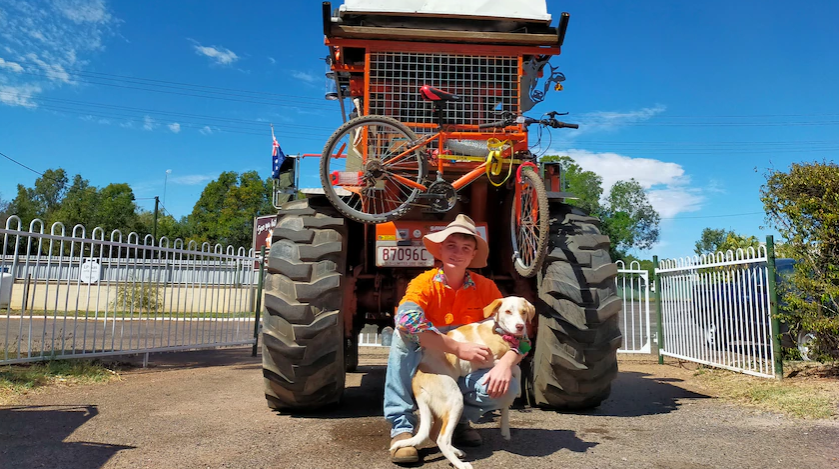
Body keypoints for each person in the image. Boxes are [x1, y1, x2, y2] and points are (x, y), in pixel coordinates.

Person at [384, 214, 525, 465]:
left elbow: (523, 342)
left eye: (465, 248)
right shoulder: (424, 283)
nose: (457, 253)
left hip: (464, 368)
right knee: (402, 334)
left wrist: (506, 364)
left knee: (510, 387)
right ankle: (401, 428)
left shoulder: (487, 289)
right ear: (440, 250)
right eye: (451, 246)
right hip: (431, 356)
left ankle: (457, 421)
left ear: (472, 256)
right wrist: (457, 347)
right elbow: (407, 319)